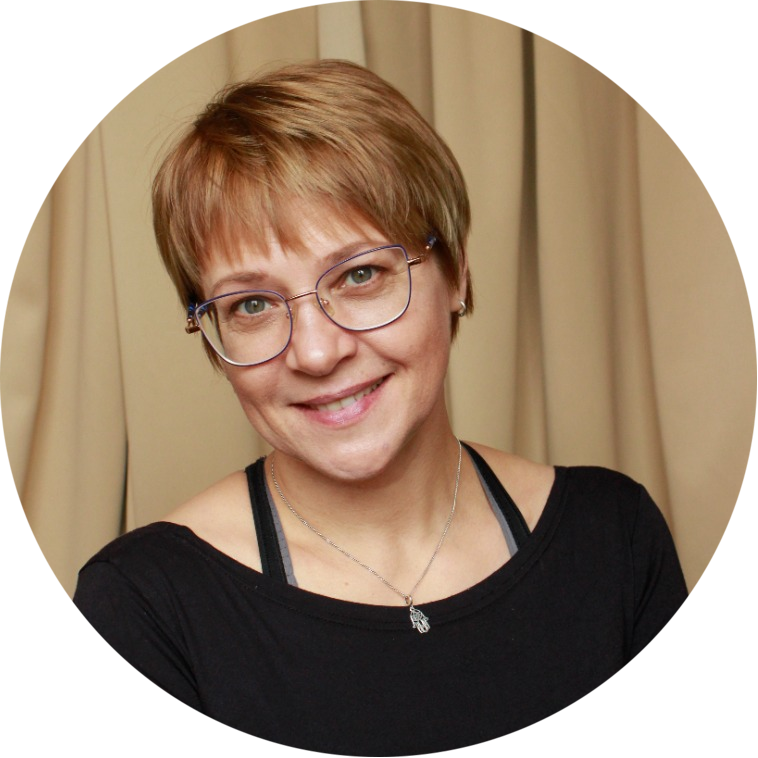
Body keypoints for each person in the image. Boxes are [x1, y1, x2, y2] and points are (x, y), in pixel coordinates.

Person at [73, 59, 687, 752]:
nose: (315, 352)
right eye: (251, 305)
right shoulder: (143, 605)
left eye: (361, 274)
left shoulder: (614, 539)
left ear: (457, 273)